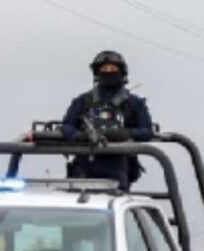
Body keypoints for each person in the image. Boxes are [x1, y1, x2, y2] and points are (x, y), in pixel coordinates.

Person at [62, 50, 155, 190]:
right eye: (104, 69)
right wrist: (79, 136)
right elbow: (66, 126)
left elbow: (147, 131)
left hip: (118, 165)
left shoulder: (134, 103)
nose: (108, 72)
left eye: (113, 69)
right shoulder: (82, 101)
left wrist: (126, 134)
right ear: (97, 73)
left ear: (121, 72)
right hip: (85, 163)